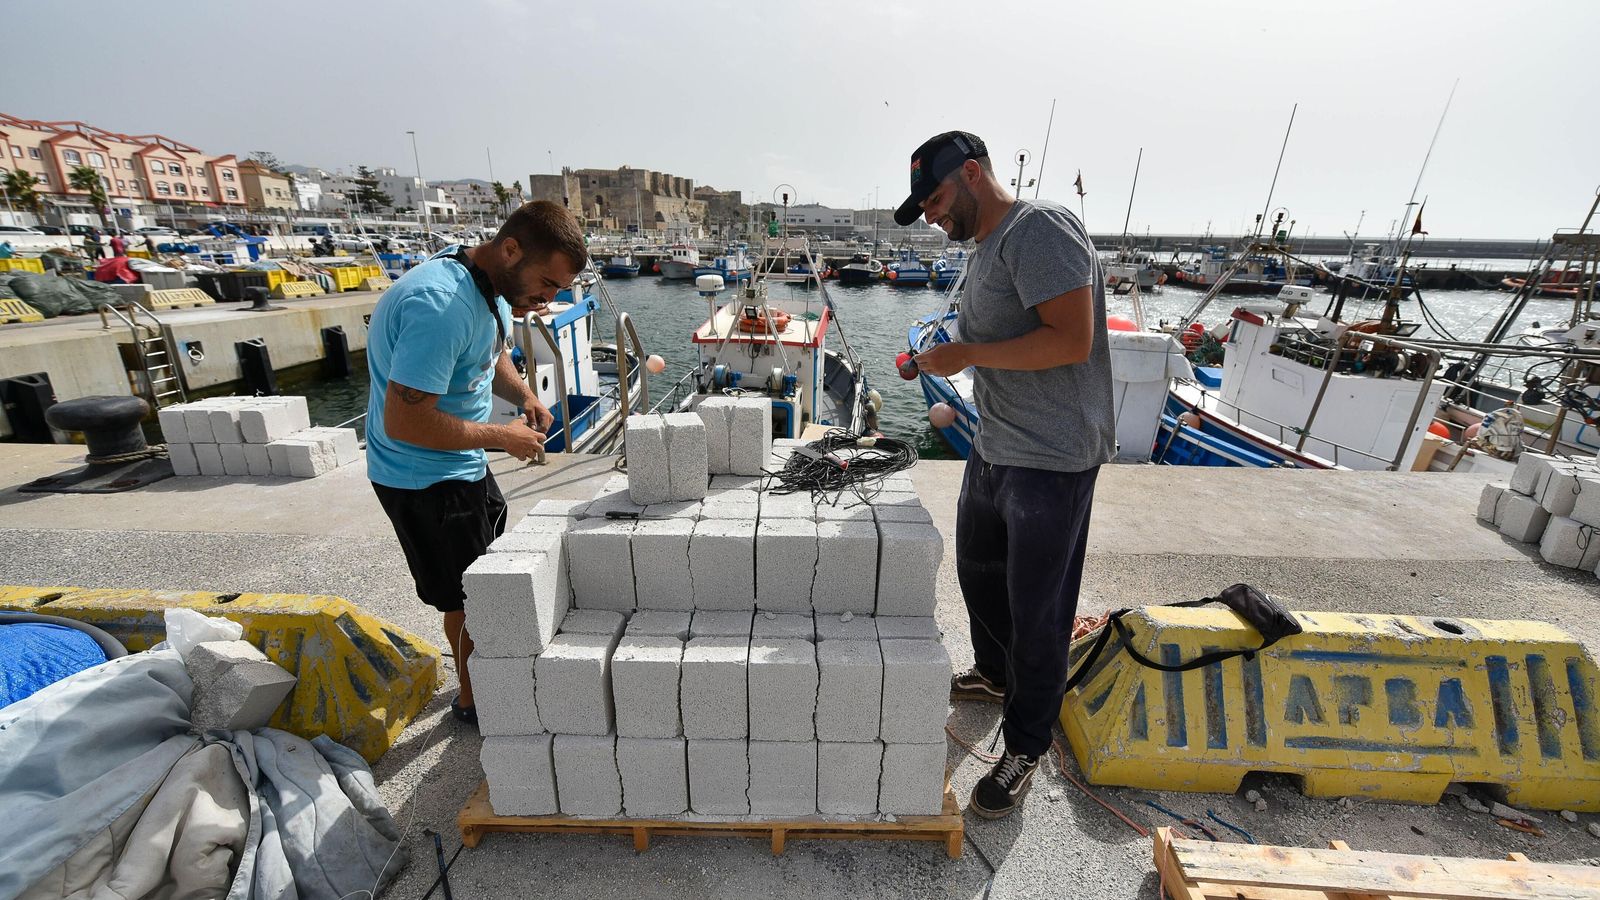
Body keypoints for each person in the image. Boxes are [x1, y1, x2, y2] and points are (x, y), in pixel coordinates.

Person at [899, 131, 1115, 819]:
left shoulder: (1040, 227)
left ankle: (1026, 744)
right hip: (995, 444)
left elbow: (1070, 338)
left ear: (971, 174)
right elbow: (1001, 336)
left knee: (1039, 612)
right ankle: (995, 676)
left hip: (1050, 457)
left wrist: (968, 353)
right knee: (978, 572)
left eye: (934, 199)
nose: (931, 215)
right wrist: (952, 353)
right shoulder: (984, 248)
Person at [366, 200, 586, 726]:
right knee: (467, 599)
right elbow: (405, 422)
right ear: (511, 248)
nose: (548, 299)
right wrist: (499, 436)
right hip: (424, 477)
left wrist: (525, 394)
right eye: (547, 283)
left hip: (460, 463)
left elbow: (492, 350)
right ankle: (474, 701)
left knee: (486, 579)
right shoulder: (440, 306)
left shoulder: (488, 284)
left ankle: (486, 678)